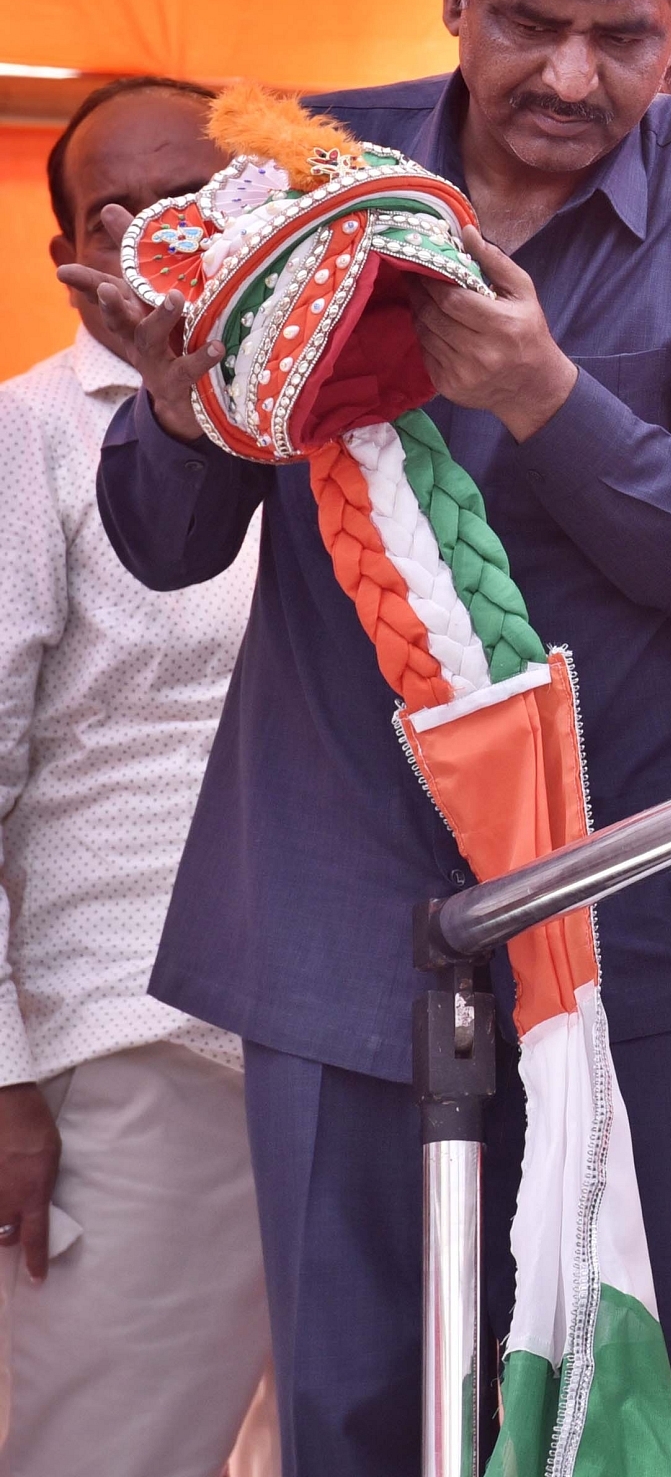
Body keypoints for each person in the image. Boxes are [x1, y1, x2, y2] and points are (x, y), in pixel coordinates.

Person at [57, 0, 671, 1473]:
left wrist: (548, 396)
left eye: (622, 35)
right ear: (455, 2)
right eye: (529, 20)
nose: (568, 74)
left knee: (626, 1416)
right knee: (352, 1417)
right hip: (336, 901)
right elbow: (163, 546)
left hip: (614, 924)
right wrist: (175, 408)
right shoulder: (315, 164)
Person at [0, 77, 270, 1477]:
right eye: (124, 209)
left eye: (205, 196)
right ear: (76, 257)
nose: (171, 230)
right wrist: (3, 1078)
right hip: (133, 1036)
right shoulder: (32, 432)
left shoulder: (344, 421)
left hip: (367, 1037)